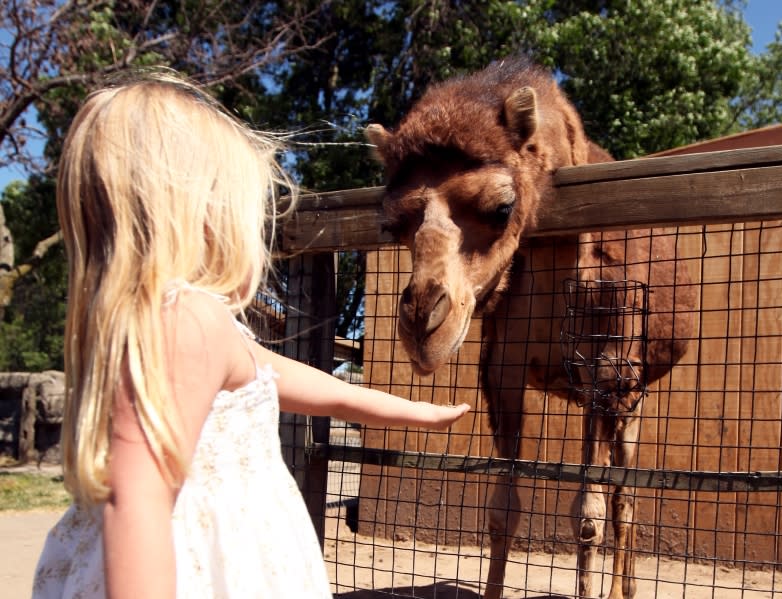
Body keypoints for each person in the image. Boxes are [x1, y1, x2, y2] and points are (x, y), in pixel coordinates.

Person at [32, 72, 471, 599]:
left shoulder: (176, 325)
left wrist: (417, 412)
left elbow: (320, 388)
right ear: (202, 220)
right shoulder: (186, 320)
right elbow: (139, 499)